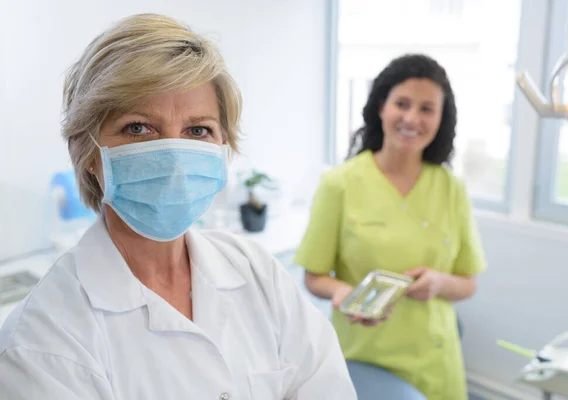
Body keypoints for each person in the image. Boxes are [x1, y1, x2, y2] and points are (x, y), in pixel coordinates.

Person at [0, 14, 357, 400]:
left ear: (223, 147)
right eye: (138, 127)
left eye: (197, 130)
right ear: (88, 152)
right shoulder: (41, 341)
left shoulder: (256, 271)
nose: (172, 156)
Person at [294, 53, 487, 400]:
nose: (412, 118)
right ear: (381, 106)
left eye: (427, 109)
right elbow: (314, 276)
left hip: (437, 364)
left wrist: (439, 283)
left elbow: (468, 283)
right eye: (403, 103)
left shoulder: (451, 188)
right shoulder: (339, 184)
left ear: (441, 119)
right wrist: (342, 293)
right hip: (365, 361)